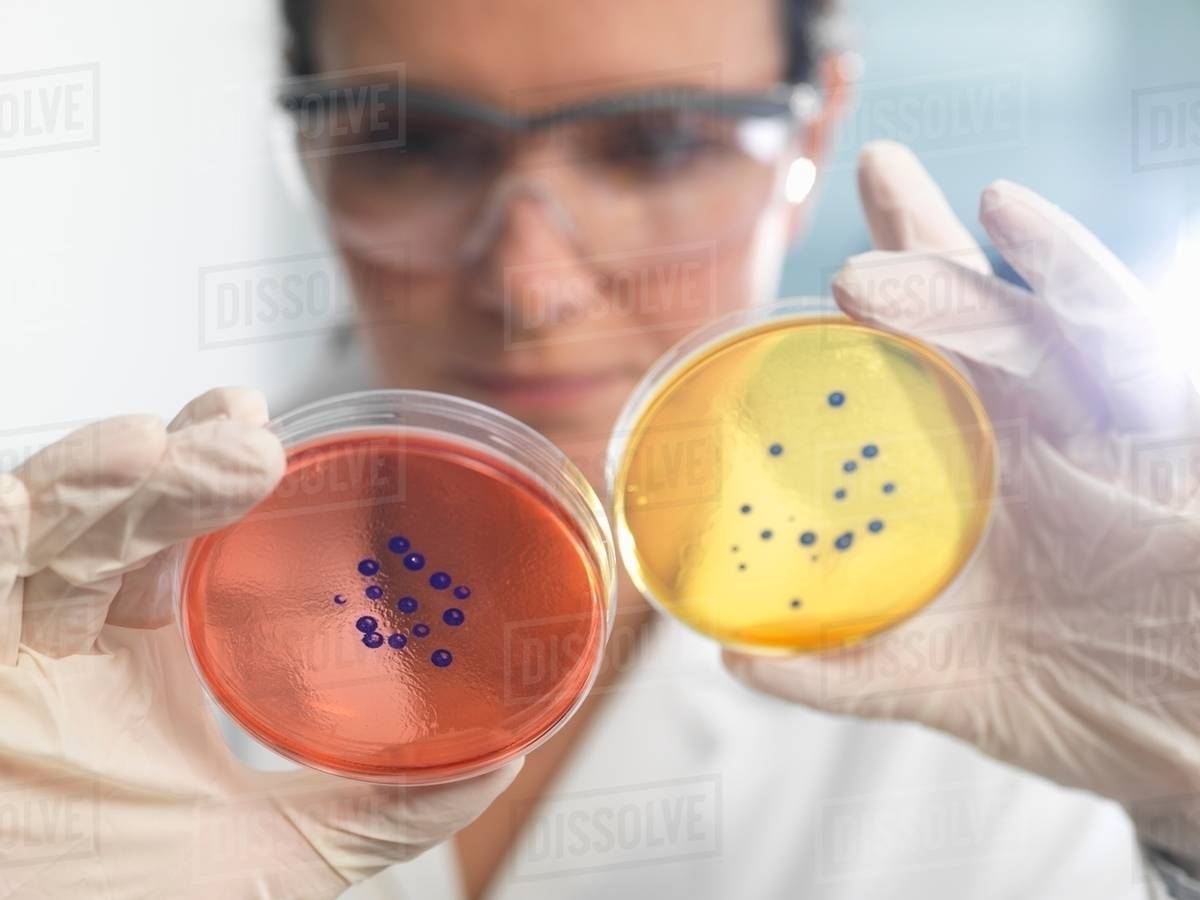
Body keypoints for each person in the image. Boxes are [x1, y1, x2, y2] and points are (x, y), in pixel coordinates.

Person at [2, 1, 1199, 897]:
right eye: (414, 143)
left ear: (818, 123)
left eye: (658, 146)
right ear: (307, 142)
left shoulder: (1030, 655)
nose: (531, 283)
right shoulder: (73, 661)